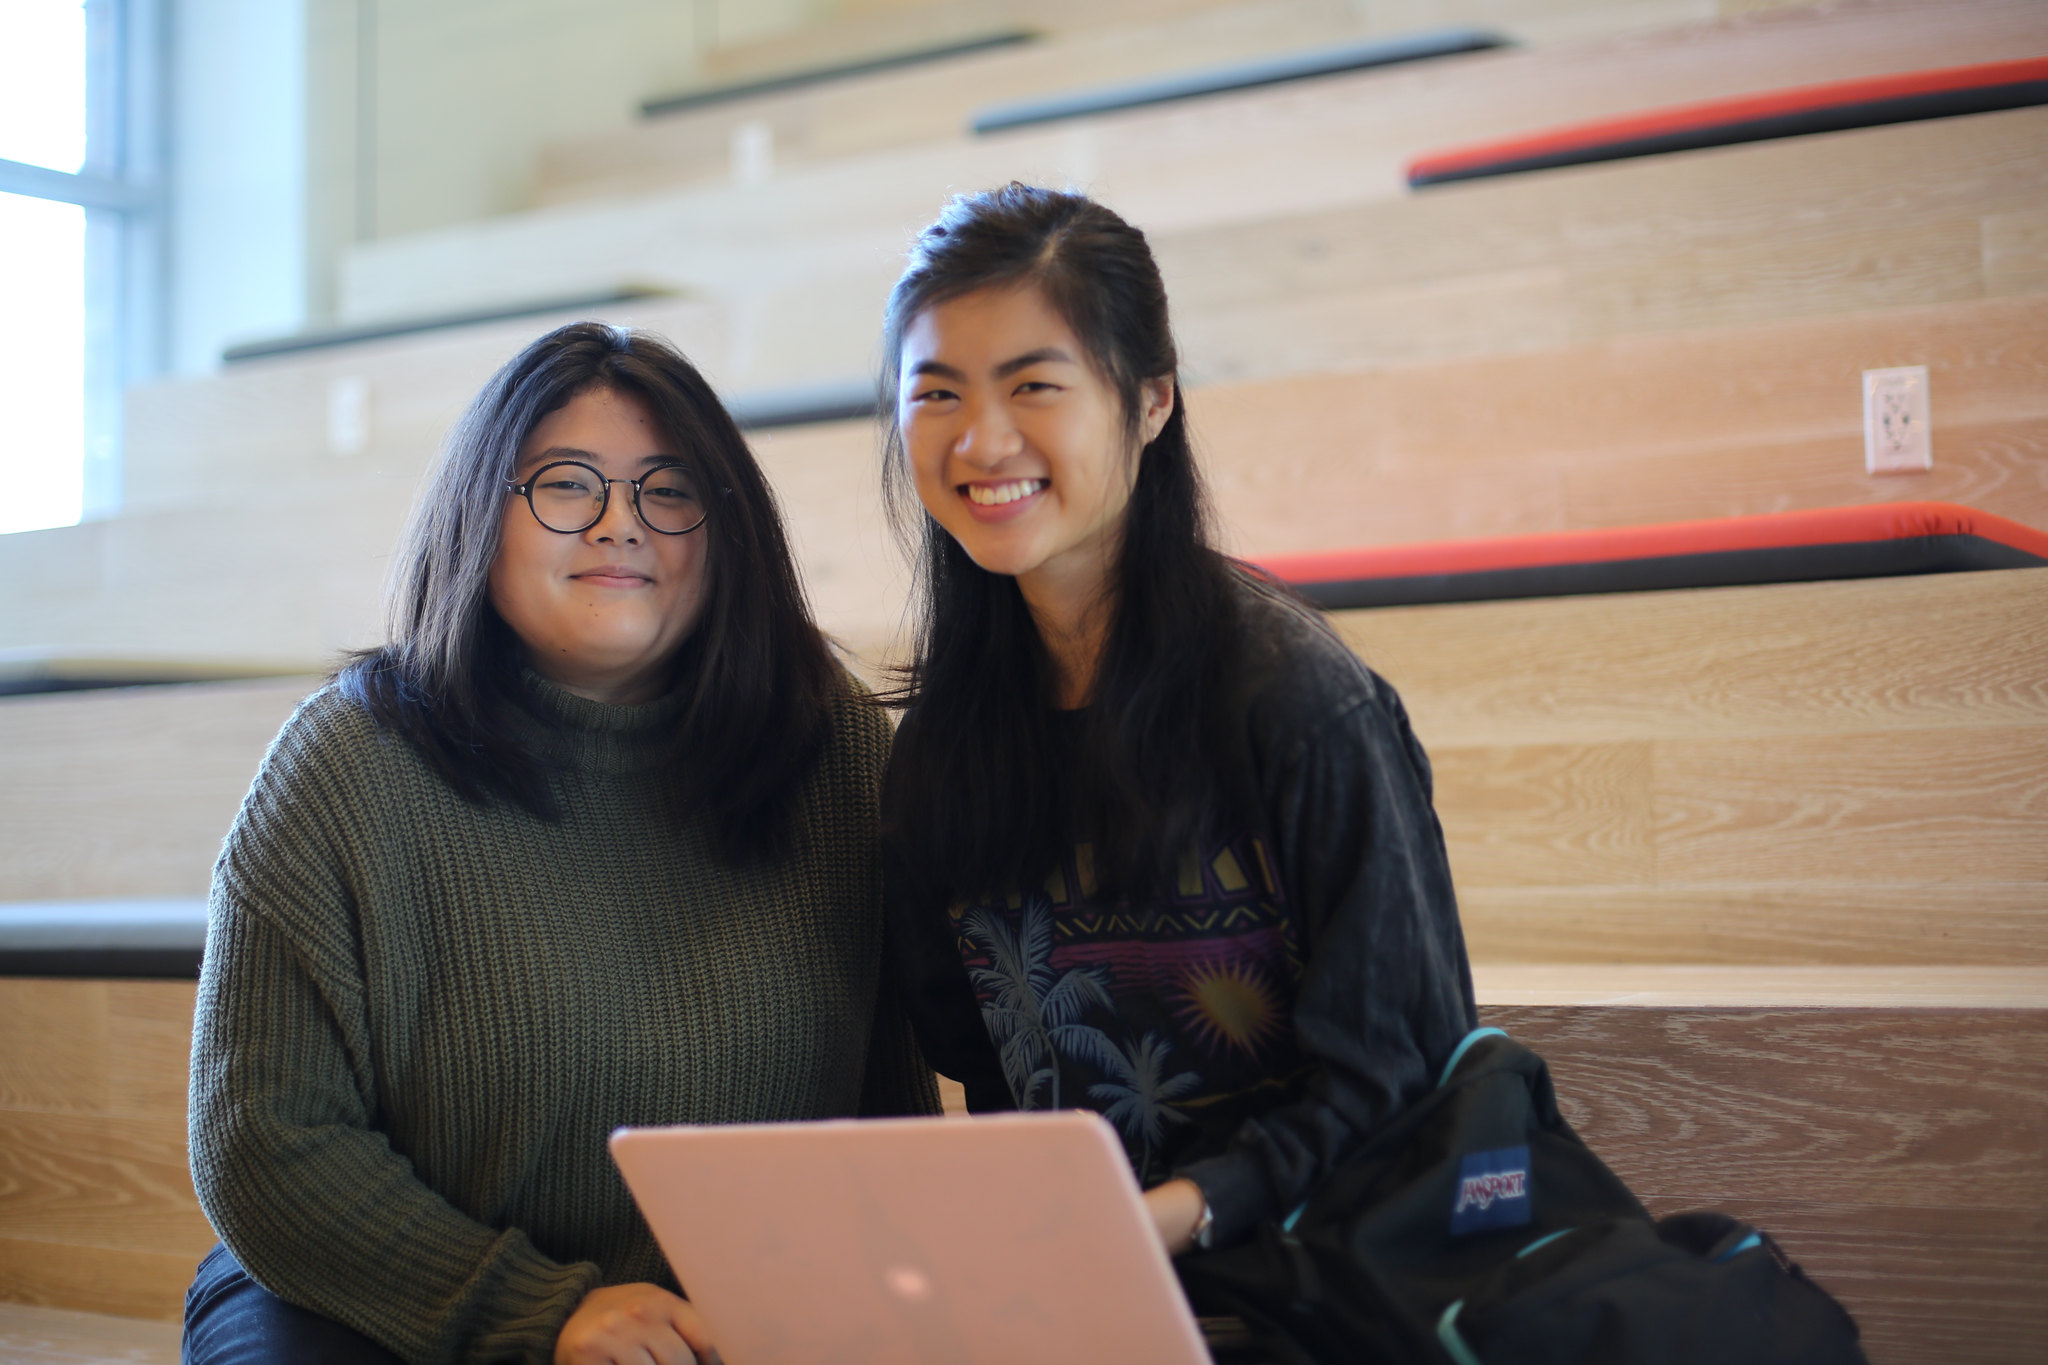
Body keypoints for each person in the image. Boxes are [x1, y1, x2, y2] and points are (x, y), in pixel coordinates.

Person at [184, 322, 935, 1365]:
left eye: (667, 490)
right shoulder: (347, 764)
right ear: (480, 514)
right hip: (380, 1303)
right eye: (566, 485)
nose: (619, 524)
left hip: (701, 1325)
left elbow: (885, 1126)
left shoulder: (837, 752)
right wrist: (540, 1313)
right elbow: (262, 1143)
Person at [878, 184, 1476, 1264]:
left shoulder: (1297, 702)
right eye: (935, 394)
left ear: (1149, 402)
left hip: (1332, 1293)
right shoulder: (936, 754)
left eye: (1033, 385)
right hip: (1087, 1293)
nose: (980, 439)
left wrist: (1178, 1213)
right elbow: (990, 1079)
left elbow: (1402, 1080)